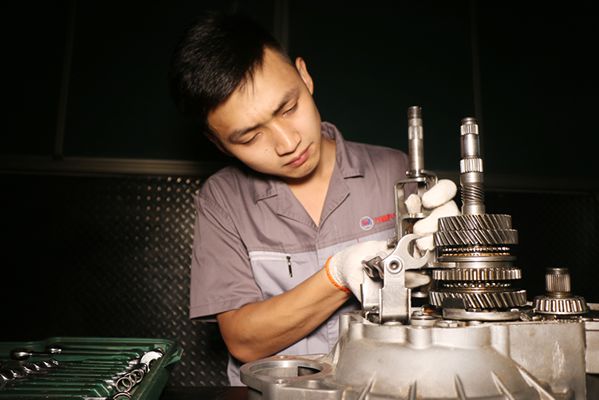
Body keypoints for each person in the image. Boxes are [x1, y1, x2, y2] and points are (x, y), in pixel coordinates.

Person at [169, 11, 457, 385]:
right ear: (218, 142)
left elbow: (439, 314)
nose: (288, 143)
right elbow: (243, 340)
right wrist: (336, 276)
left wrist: (452, 255)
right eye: (250, 137)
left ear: (304, 76)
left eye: (289, 108)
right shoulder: (222, 200)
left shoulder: (393, 171)